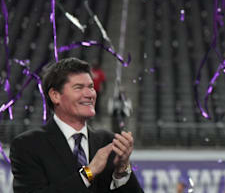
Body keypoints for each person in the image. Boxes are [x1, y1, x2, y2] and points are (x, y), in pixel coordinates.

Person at [10, 57, 143, 193]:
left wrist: (121, 172)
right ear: (55, 95)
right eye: (78, 88)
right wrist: (89, 173)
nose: (90, 94)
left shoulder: (109, 142)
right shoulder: (28, 145)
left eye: (91, 87)